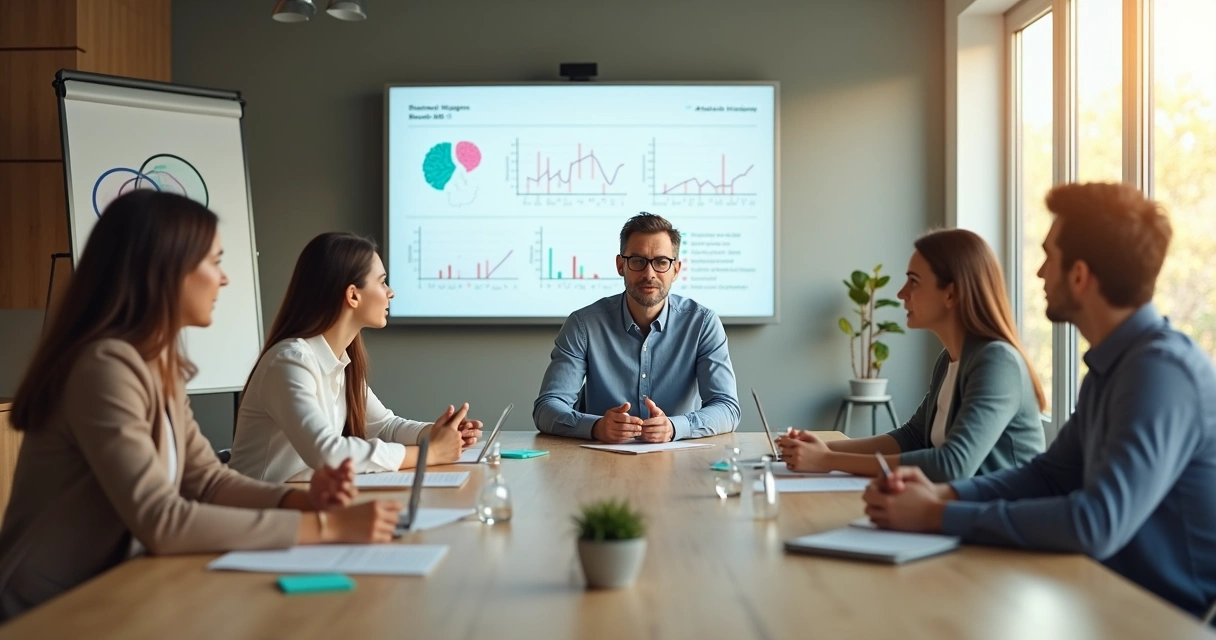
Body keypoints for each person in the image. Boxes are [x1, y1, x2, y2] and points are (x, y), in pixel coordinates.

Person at [0, 192, 402, 620]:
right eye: (215, 262)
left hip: (115, 591)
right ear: (166, 270)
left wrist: (301, 502)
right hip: (48, 609)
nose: (224, 279)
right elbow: (161, 520)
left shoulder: (156, 364)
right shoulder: (103, 367)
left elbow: (207, 481)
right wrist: (326, 526)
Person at [863, 183, 1216, 618]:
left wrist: (937, 515)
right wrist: (944, 494)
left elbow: (1095, 523)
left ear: (1079, 276)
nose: (1039, 273)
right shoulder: (1113, 366)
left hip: (1162, 619)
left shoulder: (1159, 372)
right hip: (1102, 599)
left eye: (1049, 256)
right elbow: (1048, 476)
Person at [778, 229, 1045, 480]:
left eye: (913, 282)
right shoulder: (949, 360)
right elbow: (912, 437)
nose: (901, 293)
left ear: (951, 294)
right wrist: (821, 447)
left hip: (998, 511)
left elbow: (953, 465)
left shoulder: (997, 362)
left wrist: (828, 460)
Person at [229, 232, 482, 483]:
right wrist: (431, 453)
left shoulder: (340, 361)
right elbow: (328, 454)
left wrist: (434, 434)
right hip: (256, 506)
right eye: (382, 282)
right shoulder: (289, 362)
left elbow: (385, 427)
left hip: (301, 500)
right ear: (353, 295)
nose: (391, 292)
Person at [533, 212, 741, 443]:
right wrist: (595, 427)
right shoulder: (583, 325)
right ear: (620, 265)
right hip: (600, 457)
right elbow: (547, 408)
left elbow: (727, 408)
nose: (649, 274)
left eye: (661, 262)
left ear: (676, 269)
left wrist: (674, 428)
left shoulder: (702, 323)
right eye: (638, 261)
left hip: (678, 459)